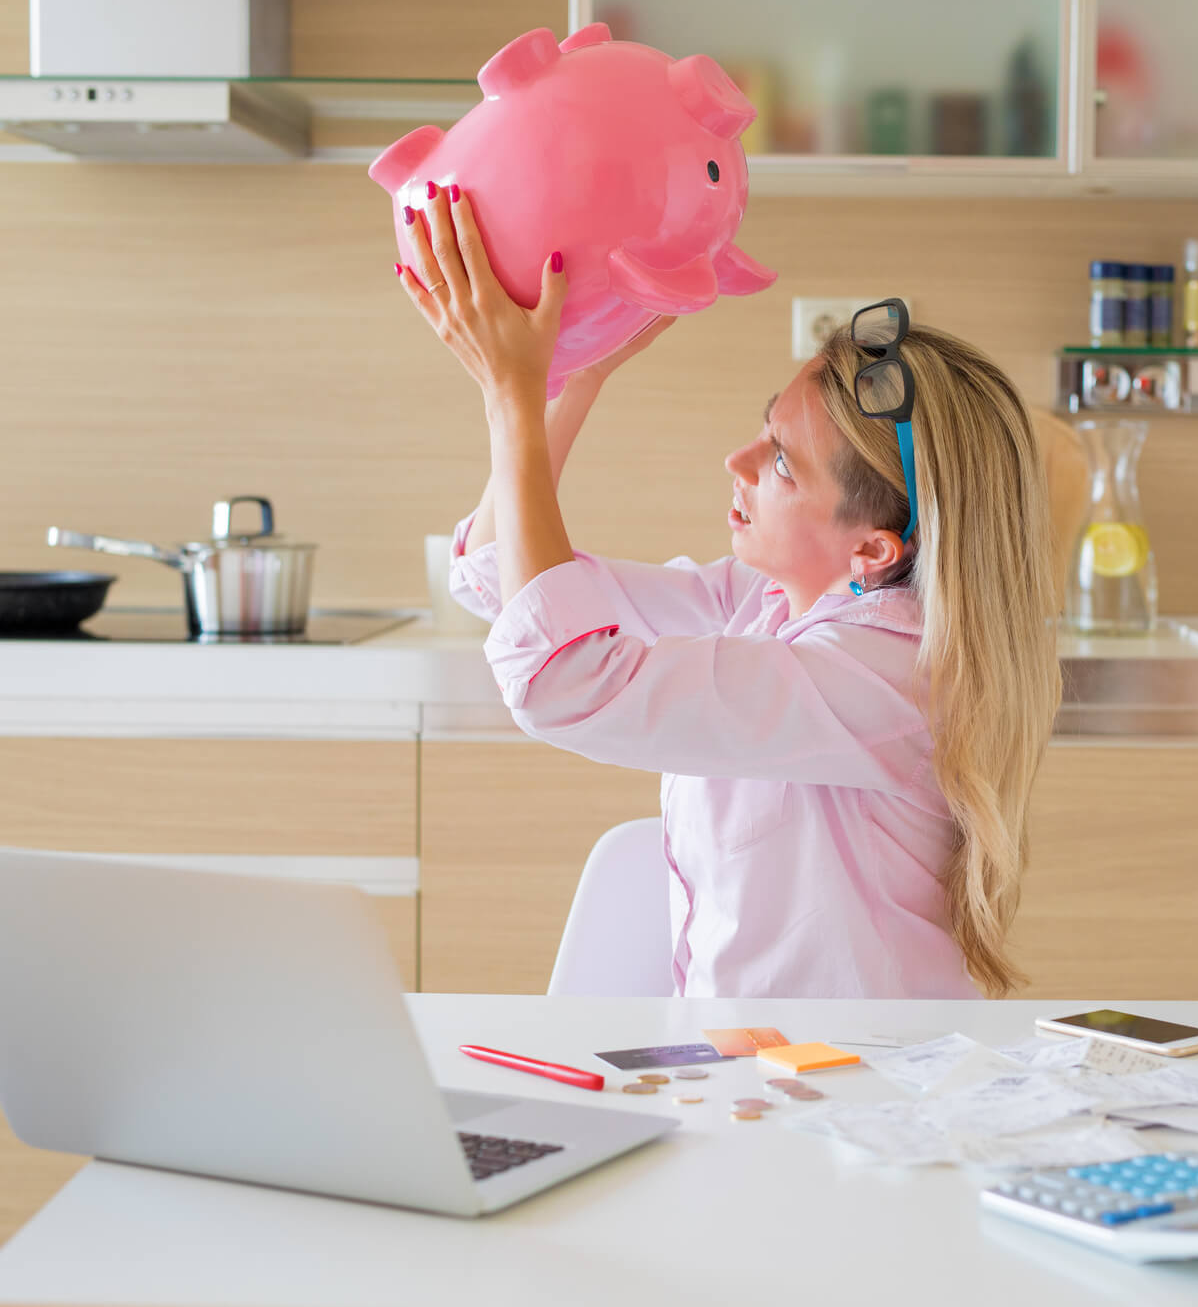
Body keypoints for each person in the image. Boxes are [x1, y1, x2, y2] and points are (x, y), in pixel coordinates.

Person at [395, 182, 1059, 998]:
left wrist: (511, 397)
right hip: (761, 1070)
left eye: (780, 459)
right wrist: (577, 378)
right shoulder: (765, 604)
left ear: (875, 548)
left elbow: (558, 679)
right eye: (763, 428)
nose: (736, 462)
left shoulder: (883, 674)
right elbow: (502, 578)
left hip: (869, 1084)